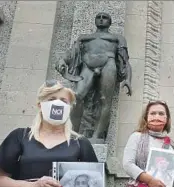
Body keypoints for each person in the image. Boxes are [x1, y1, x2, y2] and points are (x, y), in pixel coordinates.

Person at [0, 80, 98, 187]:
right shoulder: (19, 137)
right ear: (40, 104)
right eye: (51, 99)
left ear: (70, 107)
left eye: (63, 101)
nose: (57, 103)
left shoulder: (81, 144)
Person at [56, 12, 132, 140]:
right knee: (77, 96)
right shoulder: (84, 37)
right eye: (99, 17)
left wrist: (128, 79)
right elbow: (73, 52)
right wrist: (62, 60)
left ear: (110, 22)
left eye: (105, 18)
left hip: (108, 63)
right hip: (87, 65)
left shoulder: (117, 38)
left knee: (105, 100)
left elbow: (124, 61)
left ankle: (97, 136)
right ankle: (73, 134)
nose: (101, 20)